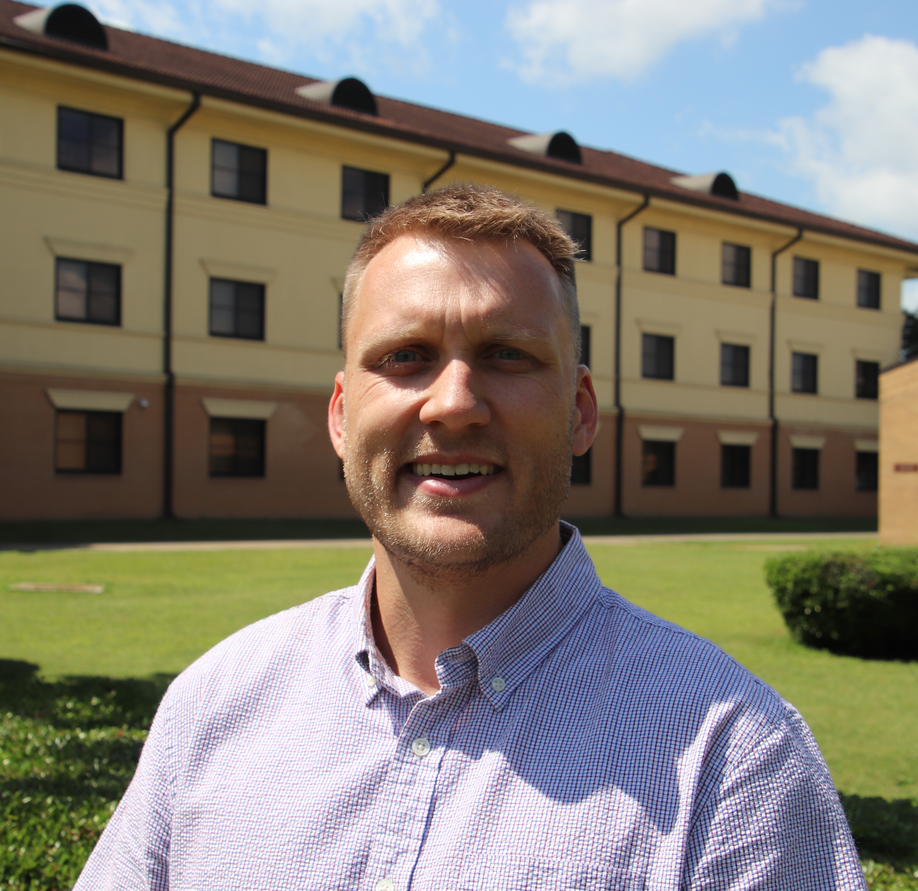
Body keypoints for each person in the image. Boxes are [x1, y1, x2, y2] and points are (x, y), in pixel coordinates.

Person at [74, 185, 867, 890]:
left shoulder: (731, 763)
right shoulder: (215, 703)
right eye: (407, 355)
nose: (453, 403)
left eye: (507, 355)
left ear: (581, 410)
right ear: (342, 416)